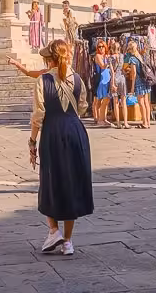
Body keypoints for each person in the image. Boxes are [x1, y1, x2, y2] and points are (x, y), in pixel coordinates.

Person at [26, 40, 92, 255]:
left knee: (50, 180)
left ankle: (53, 231)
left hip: (53, 133)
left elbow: (38, 116)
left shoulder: (42, 80)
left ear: (49, 59)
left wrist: (32, 142)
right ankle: (68, 241)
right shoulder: (79, 79)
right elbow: (82, 107)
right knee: (72, 182)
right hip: (75, 132)